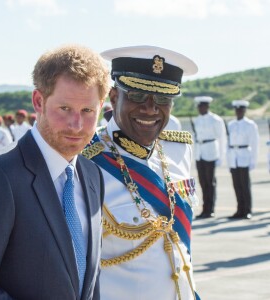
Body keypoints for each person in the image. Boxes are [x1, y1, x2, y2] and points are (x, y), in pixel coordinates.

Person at [0, 44, 110, 299]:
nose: (76, 125)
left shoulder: (92, 176)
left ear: (101, 106)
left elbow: (90, 281)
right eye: (65, 109)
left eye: (87, 111)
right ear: (39, 102)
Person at [83, 45, 200, 299]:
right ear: (113, 97)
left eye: (163, 98)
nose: (150, 108)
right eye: (137, 95)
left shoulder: (179, 150)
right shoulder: (85, 161)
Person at [192, 96, 226, 218]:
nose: (199, 108)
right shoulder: (197, 120)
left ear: (207, 106)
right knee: (203, 182)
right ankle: (205, 208)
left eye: (202, 106)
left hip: (211, 152)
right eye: (198, 106)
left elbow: (222, 139)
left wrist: (221, 157)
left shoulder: (215, 120)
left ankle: (210, 209)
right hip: (200, 153)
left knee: (210, 182)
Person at [226, 100, 259, 219]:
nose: (238, 112)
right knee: (237, 185)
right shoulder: (231, 124)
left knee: (245, 186)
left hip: (244, 156)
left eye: (241, 110)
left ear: (245, 111)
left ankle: (247, 210)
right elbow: (228, 144)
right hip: (234, 158)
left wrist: (253, 161)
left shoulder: (250, 125)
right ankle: (239, 209)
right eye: (237, 110)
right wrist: (228, 160)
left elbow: (255, 144)